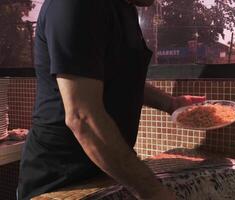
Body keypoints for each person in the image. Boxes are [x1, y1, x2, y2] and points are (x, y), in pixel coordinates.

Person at [17, 0, 205, 199]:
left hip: (105, 170)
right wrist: (154, 191)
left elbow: (118, 80)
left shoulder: (124, 8)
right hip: (59, 180)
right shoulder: (78, 5)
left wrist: (171, 104)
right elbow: (83, 118)